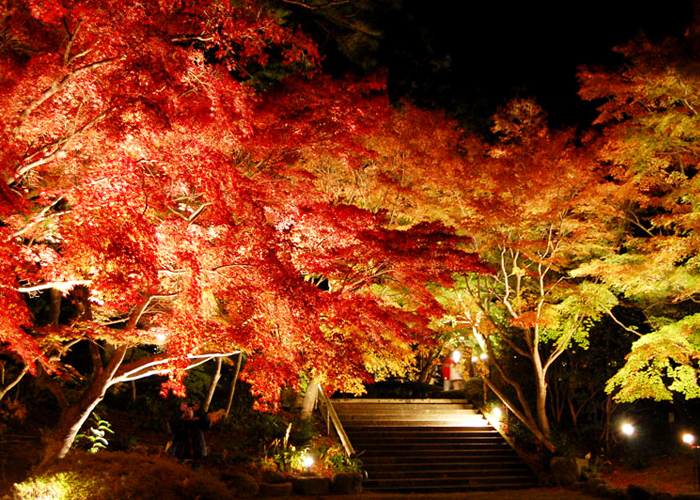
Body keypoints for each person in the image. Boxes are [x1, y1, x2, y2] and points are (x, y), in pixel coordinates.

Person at [168, 402, 211, 468]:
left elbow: (207, 422)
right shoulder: (179, 425)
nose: (187, 411)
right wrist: (180, 411)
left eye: (190, 410)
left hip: (197, 458)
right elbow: (173, 423)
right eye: (185, 410)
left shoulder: (198, 424)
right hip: (181, 458)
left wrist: (199, 410)